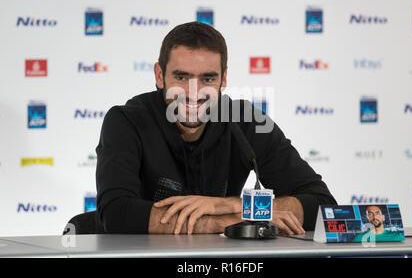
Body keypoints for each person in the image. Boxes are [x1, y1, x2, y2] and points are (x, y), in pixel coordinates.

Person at [95, 21, 337, 235]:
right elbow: (117, 213)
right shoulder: (126, 121)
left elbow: (323, 205)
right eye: (181, 77)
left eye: (208, 79)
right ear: (160, 76)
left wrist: (230, 205)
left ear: (224, 79)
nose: (193, 92)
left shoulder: (246, 120)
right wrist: (231, 221)